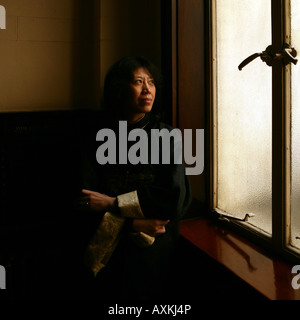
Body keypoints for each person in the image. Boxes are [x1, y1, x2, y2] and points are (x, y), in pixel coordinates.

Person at [75, 56, 192, 300]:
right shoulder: (95, 135)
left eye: (151, 82)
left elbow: (172, 201)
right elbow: (84, 200)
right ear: (119, 88)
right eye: (138, 81)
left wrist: (111, 203)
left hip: (154, 254)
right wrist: (133, 223)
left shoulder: (167, 136)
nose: (147, 89)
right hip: (105, 253)